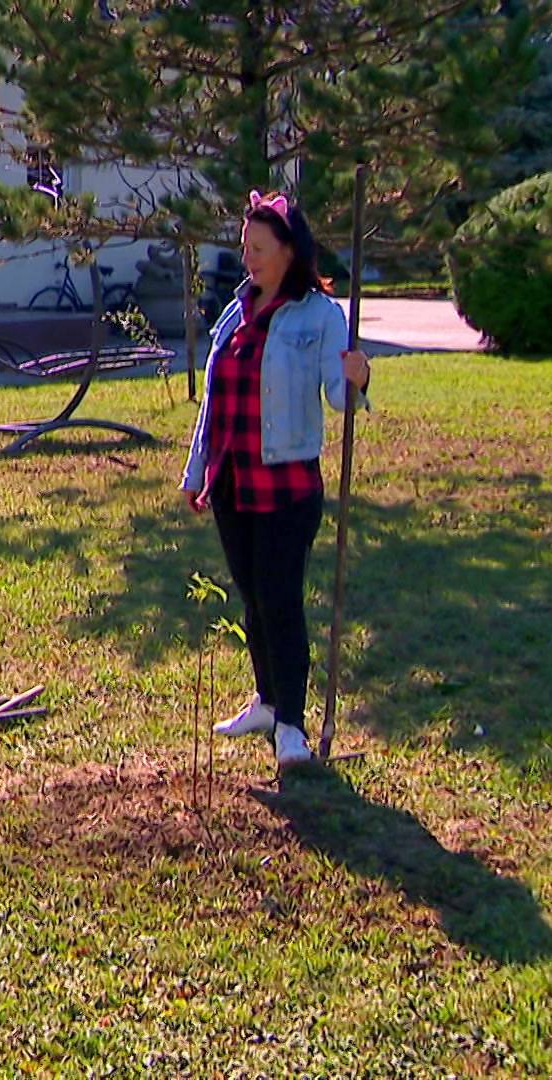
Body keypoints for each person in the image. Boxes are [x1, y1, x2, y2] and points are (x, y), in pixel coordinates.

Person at [181, 191, 372, 768]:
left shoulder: (318, 316)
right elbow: (213, 401)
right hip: (233, 481)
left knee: (281, 601)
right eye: (245, 248)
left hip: (287, 486)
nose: (249, 259)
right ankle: (265, 700)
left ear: (290, 251)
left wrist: (359, 376)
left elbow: (340, 398)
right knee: (252, 599)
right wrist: (196, 471)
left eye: (260, 249)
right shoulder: (235, 312)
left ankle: (291, 723)